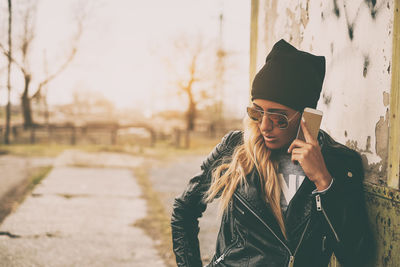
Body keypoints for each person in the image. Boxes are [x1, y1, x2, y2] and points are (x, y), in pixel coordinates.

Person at [171, 39, 374, 267]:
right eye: (257, 113)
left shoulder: (339, 163)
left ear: (307, 115)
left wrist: (323, 181)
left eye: (279, 118)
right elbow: (184, 209)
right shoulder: (236, 148)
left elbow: (356, 256)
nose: (265, 126)